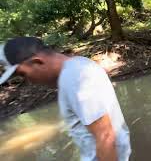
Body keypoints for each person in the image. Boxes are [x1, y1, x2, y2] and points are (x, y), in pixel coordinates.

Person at [0, 37, 131, 161]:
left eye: (23, 74)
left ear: (37, 62)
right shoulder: (77, 64)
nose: (29, 81)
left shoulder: (76, 77)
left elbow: (106, 137)